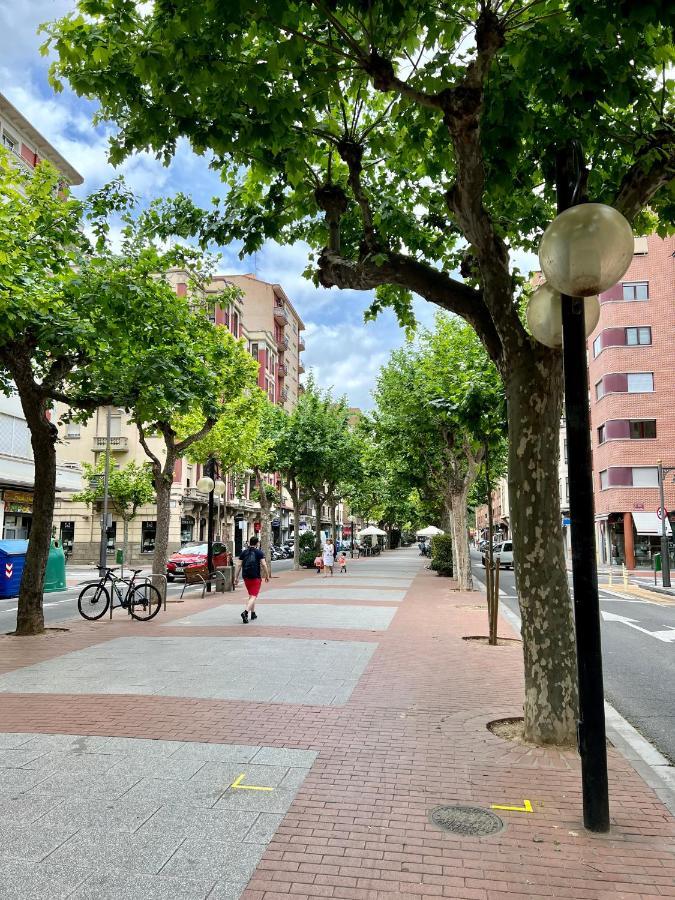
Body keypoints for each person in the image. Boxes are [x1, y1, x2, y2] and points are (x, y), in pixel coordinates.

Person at [234, 535, 269, 623]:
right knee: (254, 596)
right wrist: (267, 575)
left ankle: (253, 613)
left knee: (251, 594)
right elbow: (264, 564)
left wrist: (236, 577)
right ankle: (245, 612)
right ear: (257, 543)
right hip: (255, 576)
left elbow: (238, 565)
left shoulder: (243, 552)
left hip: (246, 576)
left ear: (249, 542)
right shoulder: (259, 552)